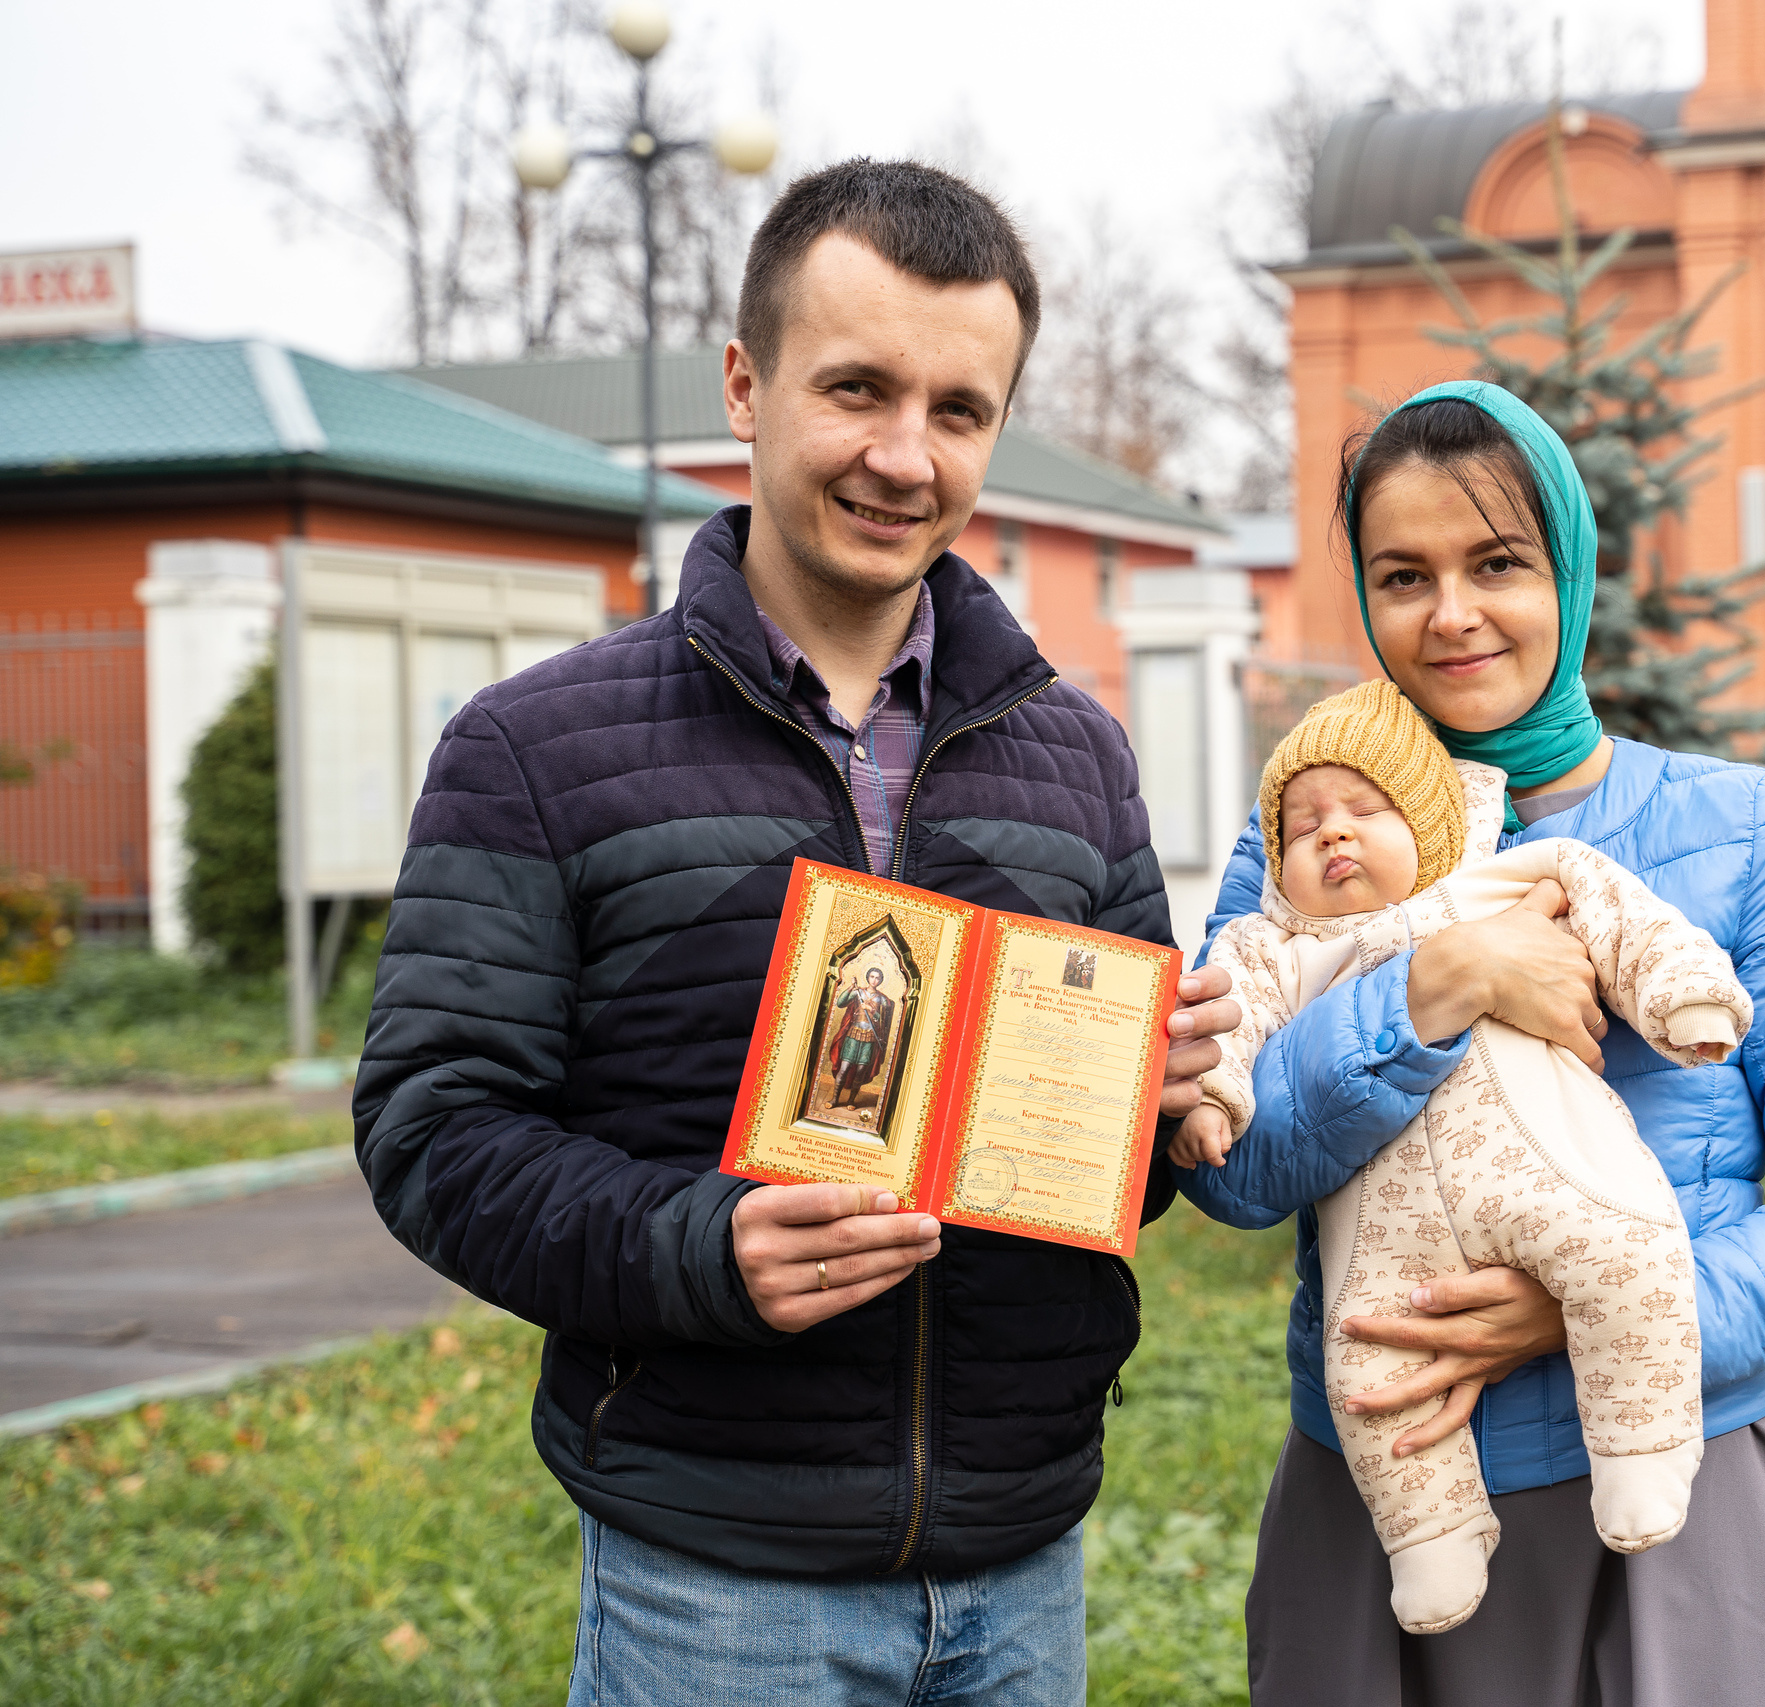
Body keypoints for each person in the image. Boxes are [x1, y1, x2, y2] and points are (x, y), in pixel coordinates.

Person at [352, 159, 1239, 1706]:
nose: (908, 456)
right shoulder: (534, 748)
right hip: (716, 1584)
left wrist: (1160, 1117)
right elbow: (433, 1128)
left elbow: (1106, 1178)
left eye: (960, 409)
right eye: (859, 390)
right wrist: (703, 1247)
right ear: (745, 388)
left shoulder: (1075, 752)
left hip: (1023, 1568)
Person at [1179, 380, 1765, 1705]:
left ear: (1572, 568)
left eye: (1499, 563)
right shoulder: (1303, 844)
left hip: (1668, 1497)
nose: (1453, 612)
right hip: (1381, 1501)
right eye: (1404, 573)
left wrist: (1594, 1311)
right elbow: (1232, 1171)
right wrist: (1434, 981)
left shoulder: (1746, 829)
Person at [1171, 677, 1754, 1634]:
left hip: (1545, 1169)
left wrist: (1683, 996)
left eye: (1365, 809)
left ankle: (1643, 1448)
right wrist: (1214, 1101)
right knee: (1369, 1370)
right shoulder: (1273, 943)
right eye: (1306, 826)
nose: (1335, 835)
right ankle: (1430, 1541)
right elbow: (1225, 1025)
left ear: (1433, 822)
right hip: (1386, 1235)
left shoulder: (1502, 881)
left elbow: (1625, 918)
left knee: (1627, 1254)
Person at [828, 964, 897, 1109]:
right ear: (868, 977)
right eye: (872, 977)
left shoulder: (882, 999)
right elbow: (840, 1003)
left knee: (860, 1070)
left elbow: (883, 1020)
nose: (874, 980)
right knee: (844, 1068)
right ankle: (835, 1099)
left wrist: (871, 1010)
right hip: (853, 1034)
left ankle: (851, 1101)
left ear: (881, 980)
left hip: (869, 1038)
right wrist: (851, 988)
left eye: (877, 978)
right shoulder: (858, 993)